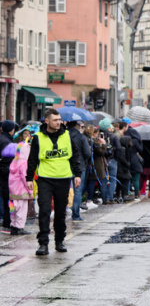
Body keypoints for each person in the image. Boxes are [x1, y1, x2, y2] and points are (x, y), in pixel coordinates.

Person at [25, 109, 83, 256]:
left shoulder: (67, 135)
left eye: (59, 120)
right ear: (47, 121)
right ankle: (43, 243)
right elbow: (32, 159)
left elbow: (75, 155)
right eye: (55, 120)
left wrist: (78, 174)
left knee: (60, 212)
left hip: (63, 178)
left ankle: (59, 241)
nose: (59, 122)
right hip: (45, 178)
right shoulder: (38, 137)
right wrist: (29, 178)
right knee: (44, 211)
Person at [8, 129, 33, 235]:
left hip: (13, 190)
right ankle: (19, 227)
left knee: (12, 208)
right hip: (22, 191)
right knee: (22, 210)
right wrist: (30, 192)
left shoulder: (14, 161)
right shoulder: (24, 163)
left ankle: (13, 225)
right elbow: (25, 178)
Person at [66, 121, 91, 221]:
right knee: (77, 191)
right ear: (76, 125)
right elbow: (87, 153)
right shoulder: (81, 137)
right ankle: (75, 215)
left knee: (64, 190)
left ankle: (63, 211)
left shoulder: (64, 136)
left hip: (65, 166)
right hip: (79, 166)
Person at [98, 118, 121, 204]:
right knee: (112, 180)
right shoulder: (113, 136)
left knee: (103, 179)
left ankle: (104, 199)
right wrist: (116, 158)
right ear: (108, 127)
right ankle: (109, 198)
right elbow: (119, 148)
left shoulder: (99, 136)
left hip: (102, 160)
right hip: (112, 160)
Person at [0, 120, 16, 232]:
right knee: (10, 200)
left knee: (6, 199)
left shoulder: (3, 139)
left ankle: (7, 221)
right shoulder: (7, 142)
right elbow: (7, 161)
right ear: (11, 130)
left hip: (4, 174)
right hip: (7, 175)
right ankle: (8, 221)